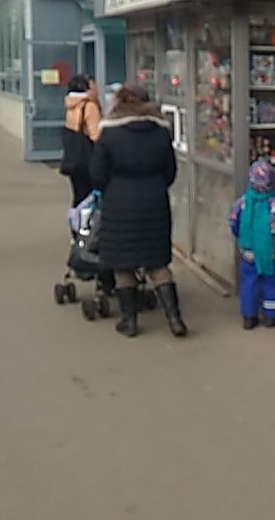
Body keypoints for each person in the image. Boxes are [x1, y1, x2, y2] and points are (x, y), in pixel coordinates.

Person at [89, 84, 187, 339]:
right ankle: (175, 319)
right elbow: (170, 171)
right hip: (154, 201)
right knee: (158, 263)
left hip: (119, 203)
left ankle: (129, 321)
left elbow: (97, 174)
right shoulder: (161, 131)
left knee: (123, 265)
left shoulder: (109, 132)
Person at [229, 160, 275, 330]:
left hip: (249, 251)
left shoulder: (241, 203)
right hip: (272, 252)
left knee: (249, 282)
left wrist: (242, 240)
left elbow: (234, 224)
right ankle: (271, 316)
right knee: (272, 282)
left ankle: (249, 317)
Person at [63, 74, 102, 207]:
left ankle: (75, 218)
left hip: (74, 159)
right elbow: (95, 135)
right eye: (93, 84)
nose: (96, 87)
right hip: (87, 158)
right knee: (89, 196)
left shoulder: (72, 104)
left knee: (78, 195)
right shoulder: (89, 106)